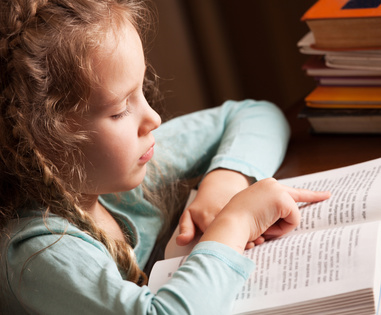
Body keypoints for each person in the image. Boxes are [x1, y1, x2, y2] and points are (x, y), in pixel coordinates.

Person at [0, 0, 330, 314]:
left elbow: (256, 114)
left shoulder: (119, 170)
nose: (154, 118)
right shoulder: (37, 253)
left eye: (142, 89)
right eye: (119, 110)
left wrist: (225, 183)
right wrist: (235, 222)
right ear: (41, 140)